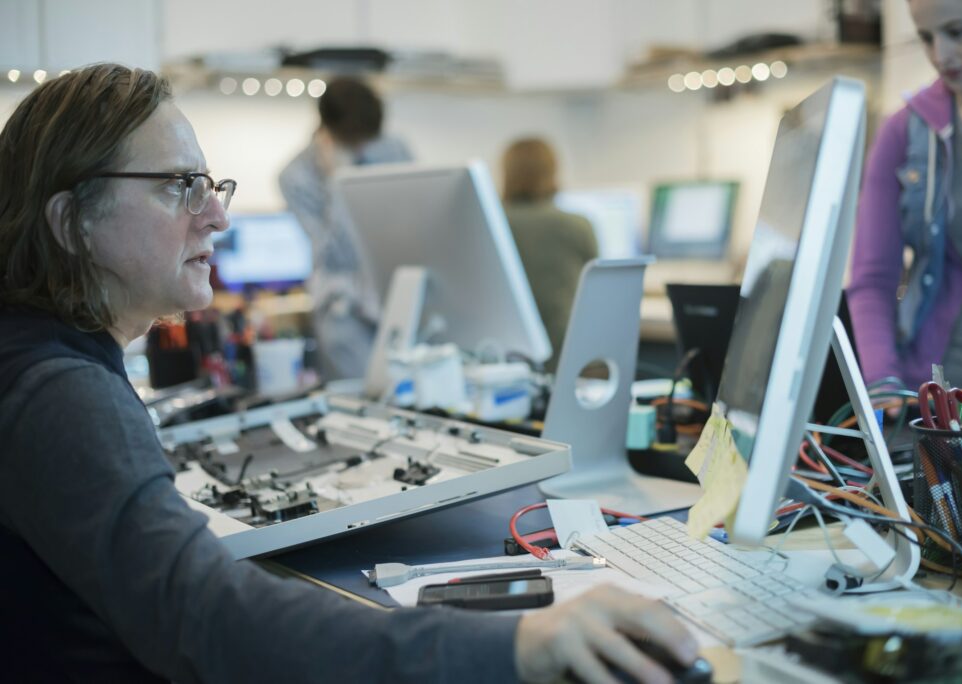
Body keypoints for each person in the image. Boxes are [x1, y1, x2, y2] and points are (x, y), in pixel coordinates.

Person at [0, 64, 698, 683]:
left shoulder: (38, 359)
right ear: (72, 222)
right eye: (180, 187)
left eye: (210, 185)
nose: (217, 215)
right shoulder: (62, 395)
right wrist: (512, 645)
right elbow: (210, 621)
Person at [848, 0, 962, 396]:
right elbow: (873, 278)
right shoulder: (905, 131)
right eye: (926, 38)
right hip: (941, 406)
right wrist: (882, 381)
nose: (940, 55)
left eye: (956, 31)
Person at [279, 77, 412, 382]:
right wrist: (338, 179)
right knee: (363, 406)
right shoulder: (296, 177)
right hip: (344, 310)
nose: (364, 147)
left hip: (396, 299)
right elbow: (337, 254)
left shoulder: (393, 150)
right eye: (354, 141)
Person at [502, 138, 598, 371]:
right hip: (568, 357)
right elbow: (598, 293)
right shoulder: (577, 225)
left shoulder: (492, 222)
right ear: (552, 172)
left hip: (509, 358)